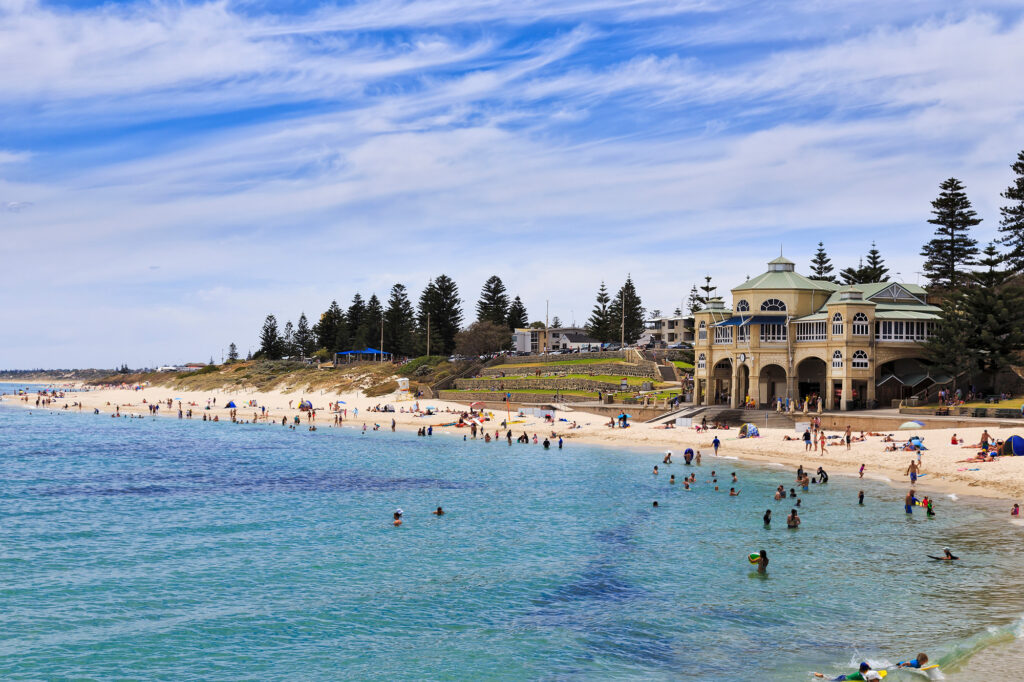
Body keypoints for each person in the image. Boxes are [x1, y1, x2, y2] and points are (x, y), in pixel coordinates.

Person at [813, 662, 880, 680]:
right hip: (843, 680)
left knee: (831, 679)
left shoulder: (860, 672)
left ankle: (823, 676)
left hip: (844, 676)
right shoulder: (862, 676)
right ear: (867, 670)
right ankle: (822, 676)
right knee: (831, 681)